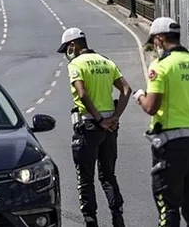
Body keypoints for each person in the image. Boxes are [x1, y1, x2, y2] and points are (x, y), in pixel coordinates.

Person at [132, 17, 189, 227]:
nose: (154, 47)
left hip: (171, 147)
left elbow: (151, 107)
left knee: (168, 206)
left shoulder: (161, 67)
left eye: (154, 42)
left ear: (160, 39)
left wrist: (140, 96)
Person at [57, 27, 132, 227]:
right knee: (108, 176)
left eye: (66, 48)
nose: (67, 53)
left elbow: (82, 94)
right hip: (110, 129)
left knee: (86, 178)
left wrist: (99, 119)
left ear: (73, 45)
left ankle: (91, 221)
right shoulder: (106, 61)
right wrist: (115, 117)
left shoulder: (76, 64)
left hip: (89, 126)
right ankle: (118, 218)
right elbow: (126, 89)